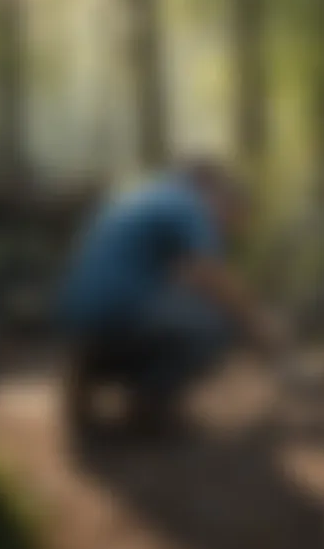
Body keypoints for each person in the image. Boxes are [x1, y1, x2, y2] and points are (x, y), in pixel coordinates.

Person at [57, 159, 285, 433]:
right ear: (219, 195)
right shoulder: (189, 206)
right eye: (229, 216)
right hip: (121, 311)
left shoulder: (144, 196)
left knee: (185, 312)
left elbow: (183, 277)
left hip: (79, 317)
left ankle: (90, 373)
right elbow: (209, 274)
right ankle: (149, 405)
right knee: (219, 325)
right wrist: (257, 322)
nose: (224, 228)